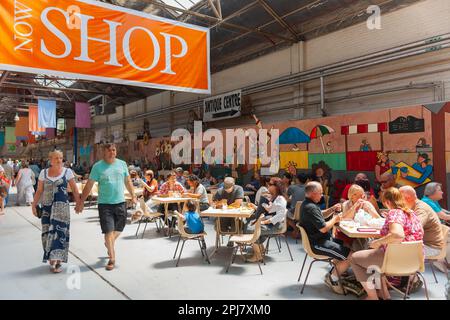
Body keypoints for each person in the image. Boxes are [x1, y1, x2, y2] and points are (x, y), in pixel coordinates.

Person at [350, 188, 424, 300]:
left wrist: (378, 242)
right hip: (414, 261)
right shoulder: (411, 213)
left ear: (388, 202)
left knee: (354, 258)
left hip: (396, 260)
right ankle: (384, 294)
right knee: (375, 257)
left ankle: (372, 297)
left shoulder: (394, 213)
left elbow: (398, 234)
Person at [78, 143, 137, 271]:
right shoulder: (97, 167)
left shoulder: (122, 164)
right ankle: (112, 258)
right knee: (108, 231)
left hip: (120, 202)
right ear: (103, 152)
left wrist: (133, 195)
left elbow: (128, 181)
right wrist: (81, 201)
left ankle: (108, 242)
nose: (112, 152)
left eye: (114, 150)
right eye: (109, 150)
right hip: (105, 204)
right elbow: (89, 185)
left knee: (119, 228)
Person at [31, 150, 82, 273]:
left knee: (60, 233)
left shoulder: (68, 172)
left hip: (62, 208)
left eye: (61, 158)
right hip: (47, 208)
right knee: (47, 233)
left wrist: (79, 203)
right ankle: (52, 260)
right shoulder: (43, 173)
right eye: (56, 158)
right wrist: (34, 204)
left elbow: (75, 189)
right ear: (50, 159)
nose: (59, 160)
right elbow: (39, 191)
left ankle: (56, 261)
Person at [300, 181, 350, 294]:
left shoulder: (307, 204)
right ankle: (333, 279)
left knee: (347, 244)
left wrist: (331, 209)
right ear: (313, 193)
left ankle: (333, 273)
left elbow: (320, 215)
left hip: (319, 240)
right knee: (351, 256)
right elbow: (323, 228)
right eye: (320, 193)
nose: (322, 195)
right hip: (317, 244)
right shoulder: (311, 207)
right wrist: (335, 219)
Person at [400, 186, 446, 272]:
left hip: (431, 247)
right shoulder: (413, 205)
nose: (397, 201)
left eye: (398, 198)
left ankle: (411, 280)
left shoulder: (421, 209)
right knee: (393, 248)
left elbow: (415, 228)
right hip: (424, 244)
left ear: (408, 198)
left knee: (396, 251)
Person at [245, 179, 287, 262]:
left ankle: (258, 254)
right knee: (250, 224)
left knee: (249, 229)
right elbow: (270, 210)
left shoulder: (280, 199)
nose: (268, 185)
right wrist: (257, 207)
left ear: (276, 187)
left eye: (270, 184)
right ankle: (260, 249)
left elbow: (279, 216)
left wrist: (264, 222)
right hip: (272, 223)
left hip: (277, 225)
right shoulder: (275, 197)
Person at [286, 173, 307, 239]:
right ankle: (299, 229)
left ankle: (295, 229)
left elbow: (287, 198)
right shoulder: (309, 188)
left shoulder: (292, 187)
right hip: (305, 212)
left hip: (294, 212)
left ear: (297, 180)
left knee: (284, 214)